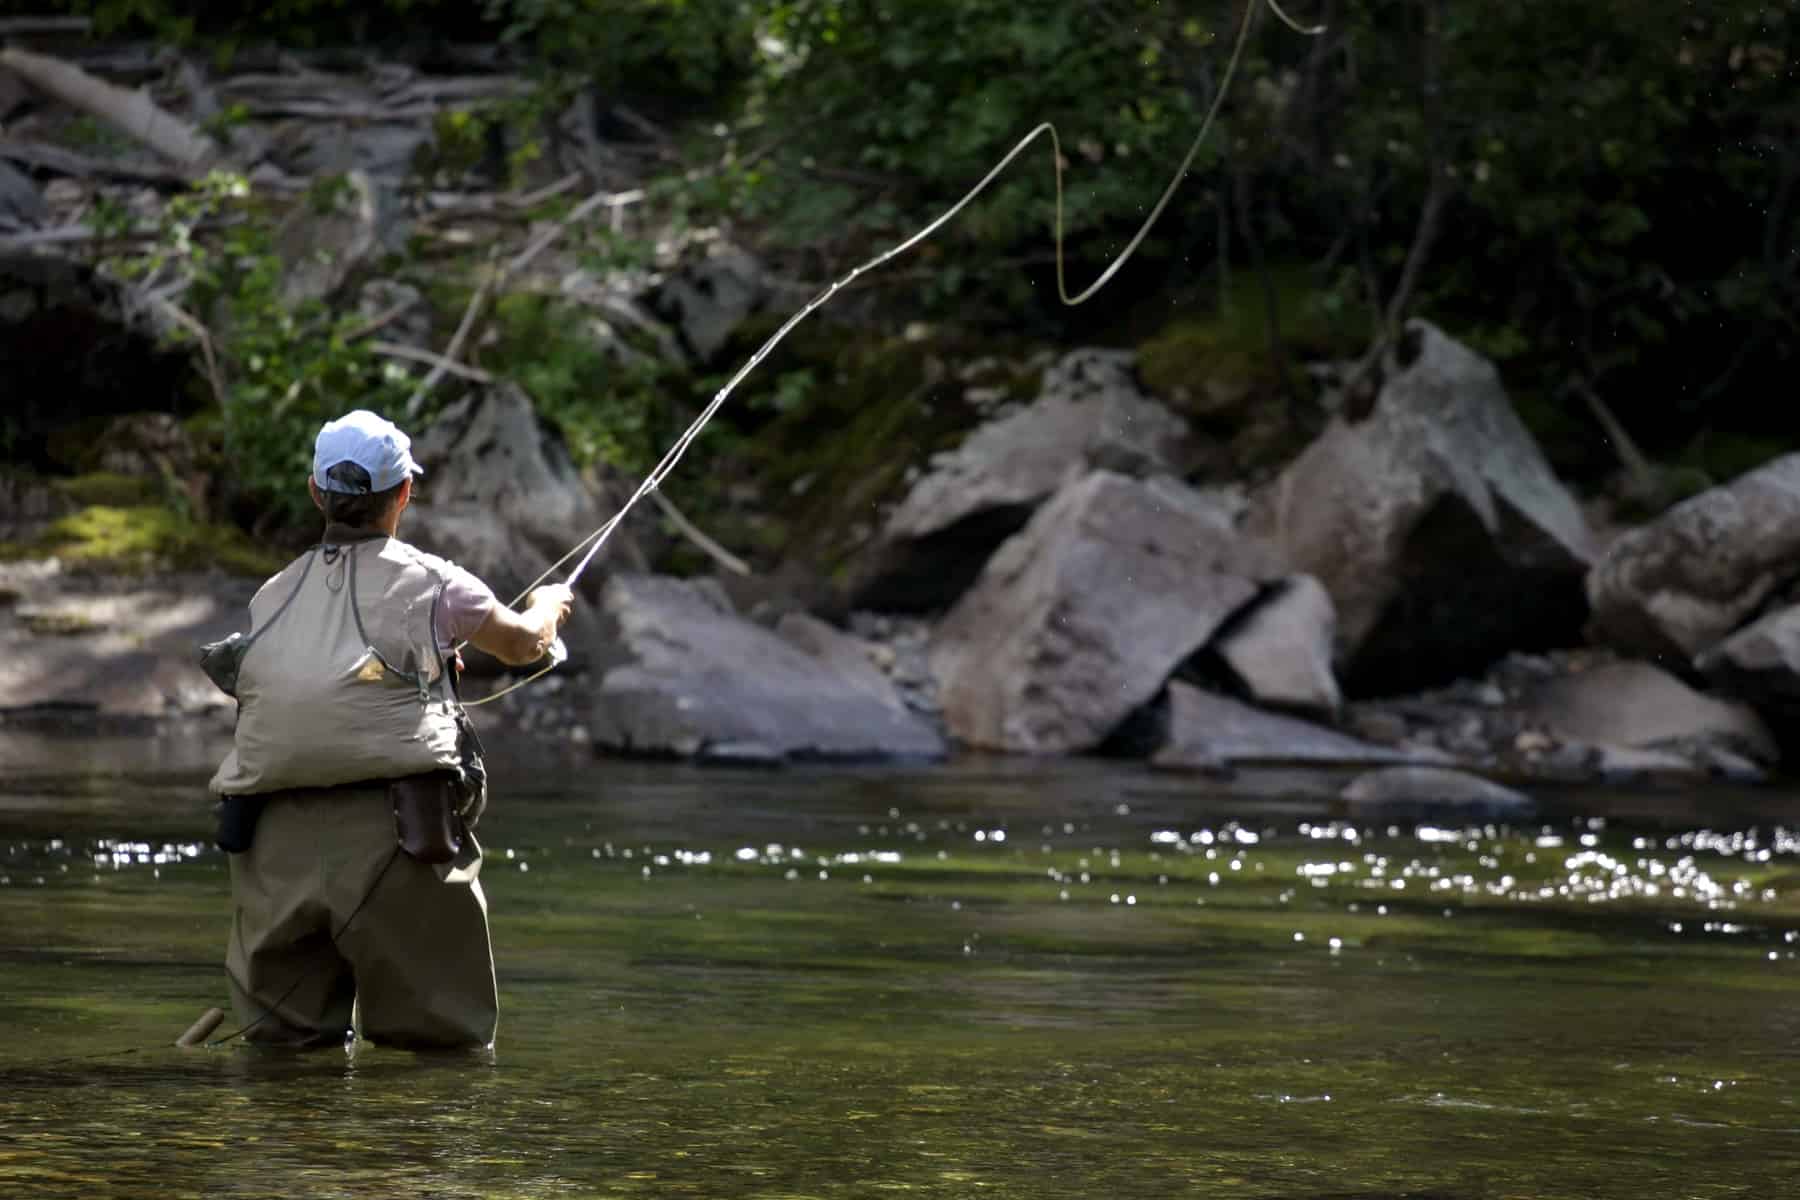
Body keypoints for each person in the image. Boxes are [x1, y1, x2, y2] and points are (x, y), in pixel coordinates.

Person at [206, 409, 572, 1049]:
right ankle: (405, 1153)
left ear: (317, 492)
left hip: (270, 850)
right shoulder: (436, 582)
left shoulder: (272, 594)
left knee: (282, 1060)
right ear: (403, 492)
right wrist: (551, 605)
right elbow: (521, 645)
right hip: (400, 841)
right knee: (437, 1057)